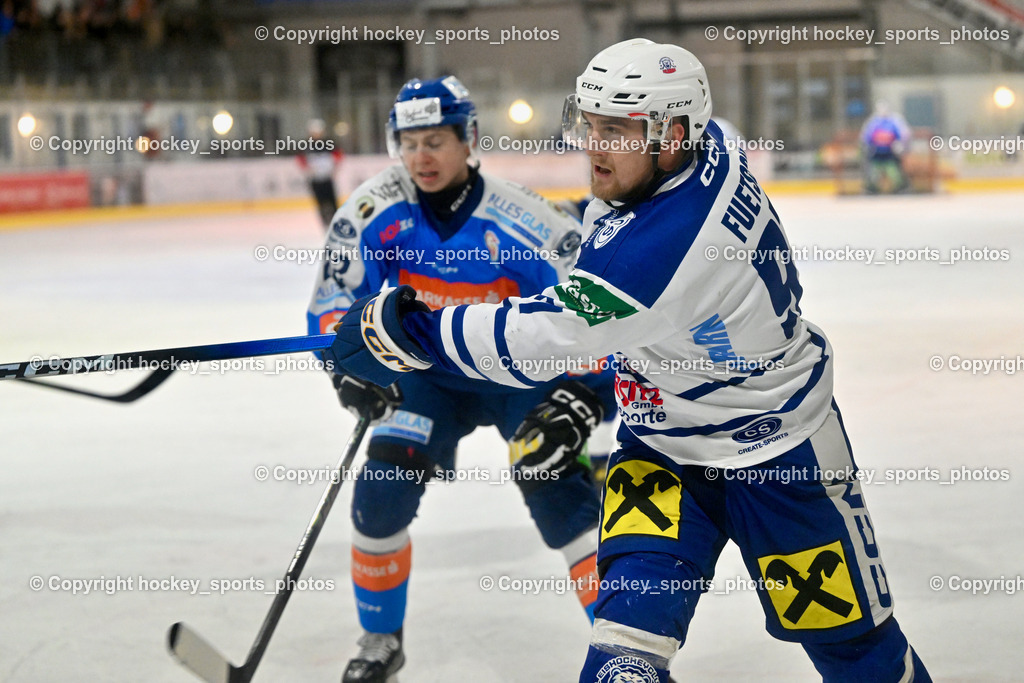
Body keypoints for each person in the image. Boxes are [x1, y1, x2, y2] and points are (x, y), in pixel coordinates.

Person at [324, 40, 932, 683]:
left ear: (672, 136)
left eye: (614, 132)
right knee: (620, 663)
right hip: (661, 453)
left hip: (778, 456)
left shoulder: (667, 247)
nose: (593, 147)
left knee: (860, 660)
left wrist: (409, 329)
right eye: (589, 125)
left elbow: (544, 337)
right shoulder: (705, 149)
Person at [307, 75, 615, 682]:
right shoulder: (374, 209)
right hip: (429, 375)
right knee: (380, 496)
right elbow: (335, 301)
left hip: (519, 372)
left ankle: (624, 653)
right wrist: (349, 366)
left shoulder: (526, 219)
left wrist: (585, 393)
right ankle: (380, 641)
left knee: (557, 491)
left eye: (435, 142)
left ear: (468, 139)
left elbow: (595, 313)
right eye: (409, 143)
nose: (420, 157)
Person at [298, 118, 344, 228]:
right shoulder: (306, 145)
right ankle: (326, 224)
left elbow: (339, 155)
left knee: (332, 201)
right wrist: (308, 170)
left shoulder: (329, 143)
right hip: (315, 180)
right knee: (321, 203)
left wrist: (334, 169)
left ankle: (336, 222)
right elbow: (300, 159)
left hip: (327, 178)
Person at [860, 101, 911, 194]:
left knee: (893, 172)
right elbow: (866, 136)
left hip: (890, 154)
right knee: (873, 173)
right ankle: (871, 189)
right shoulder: (873, 122)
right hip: (876, 153)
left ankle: (900, 188)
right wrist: (868, 146)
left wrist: (900, 145)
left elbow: (903, 134)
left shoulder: (894, 121)